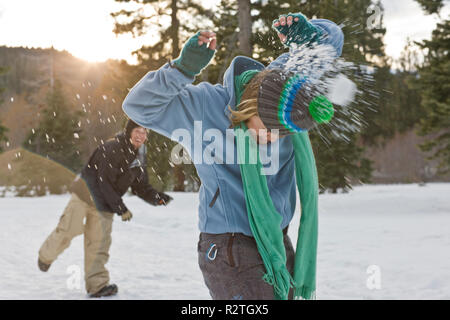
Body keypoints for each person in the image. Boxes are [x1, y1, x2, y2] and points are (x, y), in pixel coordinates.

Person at [122, 12, 344, 300]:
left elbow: (332, 38)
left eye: (282, 134)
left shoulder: (290, 90)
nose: (272, 139)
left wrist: (308, 40)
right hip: (230, 248)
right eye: (267, 129)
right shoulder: (207, 107)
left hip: (276, 242)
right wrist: (181, 70)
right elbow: (138, 106)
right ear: (249, 105)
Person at [38, 119, 173, 298]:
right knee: (69, 229)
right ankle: (45, 256)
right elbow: (104, 182)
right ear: (129, 132)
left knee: (99, 244)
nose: (141, 135)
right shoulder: (113, 148)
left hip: (106, 204)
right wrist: (121, 208)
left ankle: (97, 285)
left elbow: (140, 186)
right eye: (137, 131)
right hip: (85, 195)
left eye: (144, 132)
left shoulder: (139, 156)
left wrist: (158, 199)